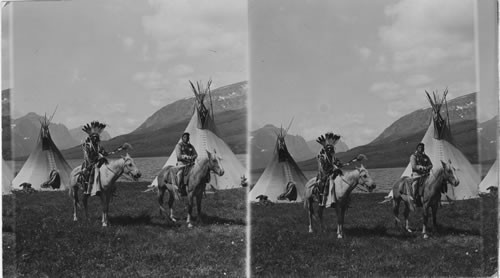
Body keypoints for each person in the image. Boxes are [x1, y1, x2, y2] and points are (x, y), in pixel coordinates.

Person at [81, 121, 109, 195]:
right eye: (94, 137)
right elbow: (87, 156)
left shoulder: (99, 146)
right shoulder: (87, 145)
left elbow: (102, 152)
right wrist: (92, 161)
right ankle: (89, 189)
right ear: (91, 138)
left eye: (96, 137)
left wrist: (105, 153)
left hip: (98, 161)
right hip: (90, 162)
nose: (95, 139)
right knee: (91, 171)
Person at [316, 132, 343, 207]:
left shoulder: (333, 157)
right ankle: (327, 201)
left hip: (333, 173)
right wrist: (333, 168)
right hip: (325, 174)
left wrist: (338, 165)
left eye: (332, 151)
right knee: (327, 182)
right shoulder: (322, 157)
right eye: (330, 151)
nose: (331, 152)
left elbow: (336, 162)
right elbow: (323, 167)